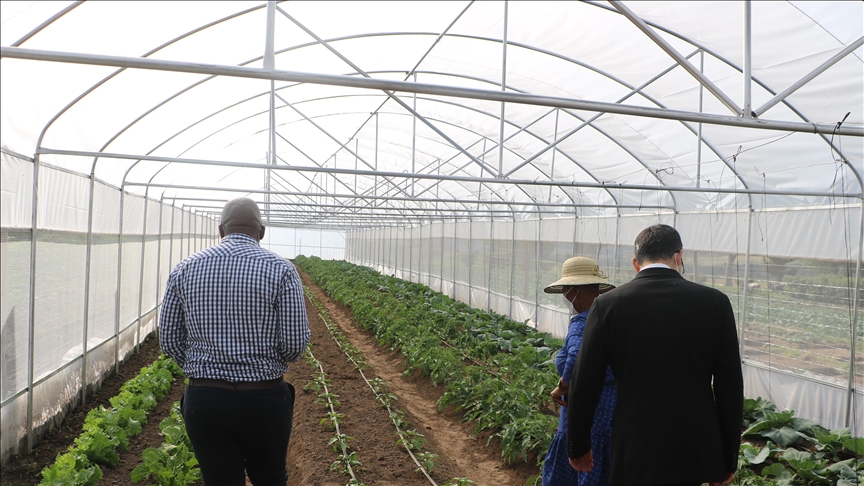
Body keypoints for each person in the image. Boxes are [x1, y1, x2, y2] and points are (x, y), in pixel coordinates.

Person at [567, 224, 743, 486]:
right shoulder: (715, 302)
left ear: (635, 263)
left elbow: (584, 382)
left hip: (634, 440)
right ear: (679, 256)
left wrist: (578, 445)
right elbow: (730, 386)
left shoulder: (608, 304)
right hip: (694, 443)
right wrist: (727, 458)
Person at [159, 197, 311, 486]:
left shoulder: (185, 268)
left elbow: (169, 340)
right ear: (261, 232)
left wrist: (203, 368)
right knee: (270, 479)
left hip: (205, 400)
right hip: (264, 398)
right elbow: (293, 345)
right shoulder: (282, 270)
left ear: (221, 230)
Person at [541, 256, 616, 486]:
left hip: (583, 412)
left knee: (575, 467)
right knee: (599, 470)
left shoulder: (581, 322)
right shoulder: (609, 318)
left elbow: (575, 358)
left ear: (574, 291)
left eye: (565, 291)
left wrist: (562, 386)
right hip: (609, 409)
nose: (565, 297)